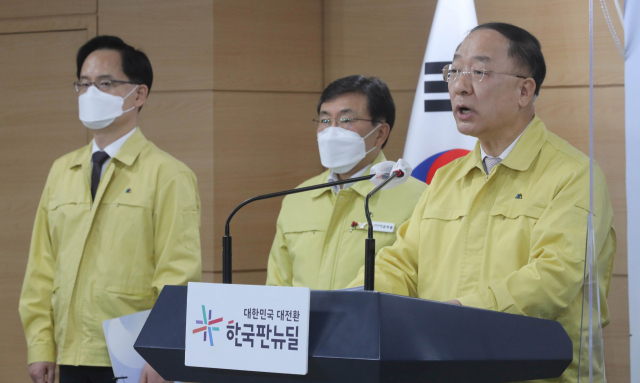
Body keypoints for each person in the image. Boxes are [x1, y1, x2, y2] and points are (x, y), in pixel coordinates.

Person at [348, 23, 616, 382]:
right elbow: (402, 264)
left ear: (524, 90)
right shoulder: (447, 177)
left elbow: (553, 279)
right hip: (443, 368)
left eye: (479, 71)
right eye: (454, 70)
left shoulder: (574, 176)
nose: (460, 85)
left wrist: (457, 314)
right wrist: (351, 301)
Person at [19, 36, 202, 383]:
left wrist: (162, 351)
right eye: (84, 84)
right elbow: (41, 267)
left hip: (132, 356)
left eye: (105, 84)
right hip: (70, 351)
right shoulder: (62, 170)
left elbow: (178, 274)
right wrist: (40, 345)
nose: (91, 94)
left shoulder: (167, 174)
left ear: (139, 94)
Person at [266, 75, 426, 290]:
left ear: (379, 133)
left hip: (376, 323)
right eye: (325, 120)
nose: (332, 130)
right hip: (304, 324)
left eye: (346, 120)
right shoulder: (299, 197)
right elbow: (278, 285)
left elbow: (425, 284)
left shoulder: (418, 199)